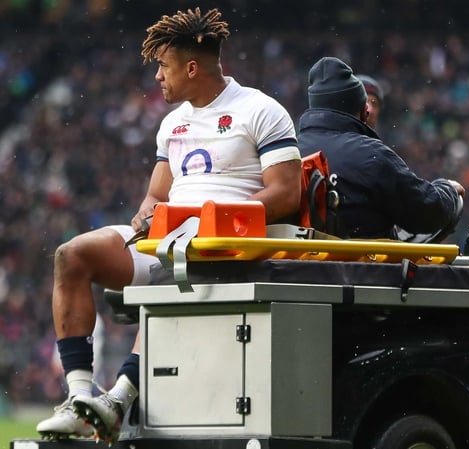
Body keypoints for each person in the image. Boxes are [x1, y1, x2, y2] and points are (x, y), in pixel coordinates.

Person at [36, 7, 301, 443]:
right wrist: (145, 219)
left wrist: (213, 223)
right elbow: (157, 196)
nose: (158, 76)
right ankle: (81, 398)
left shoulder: (261, 111)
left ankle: (119, 399)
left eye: (163, 65)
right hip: (166, 238)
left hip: (223, 247)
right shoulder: (171, 124)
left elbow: (286, 193)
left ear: (191, 67)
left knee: (183, 265)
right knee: (72, 256)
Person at [297, 57, 464, 239]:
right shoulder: (371, 155)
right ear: (362, 111)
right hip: (365, 266)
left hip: (299, 265)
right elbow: (426, 213)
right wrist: (447, 190)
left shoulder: (288, 153)